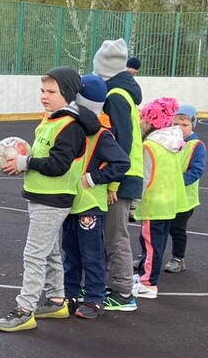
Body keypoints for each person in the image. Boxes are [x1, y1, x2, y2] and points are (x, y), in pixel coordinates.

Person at [0, 67, 102, 333]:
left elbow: (58, 165)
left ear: (66, 93)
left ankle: (25, 309)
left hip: (53, 199)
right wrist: (25, 165)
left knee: (34, 255)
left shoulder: (69, 127)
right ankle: (56, 300)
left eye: (51, 91)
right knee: (50, 252)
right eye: (43, 90)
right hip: (42, 196)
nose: (44, 96)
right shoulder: (51, 120)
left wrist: (23, 161)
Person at [58, 75, 131, 320]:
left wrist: (93, 178)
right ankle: (70, 292)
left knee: (91, 253)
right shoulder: (72, 129)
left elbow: (122, 162)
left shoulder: (101, 135)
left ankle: (95, 297)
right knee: (70, 252)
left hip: (89, 204)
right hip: (69, 201)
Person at [93, 38, 144, 313]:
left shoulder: (115, 97)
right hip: (125, 173)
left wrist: (113, 181)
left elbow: (121, 143)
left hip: (122, 176)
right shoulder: (122, 93)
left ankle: (123, 293)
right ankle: (114, 285)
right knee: (111, 234)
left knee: (115, 235)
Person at [133, 98, 184, 299]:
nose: (141, 123)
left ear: (151, 121)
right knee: (156, 242)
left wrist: (134, 204)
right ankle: (146, 276)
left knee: (151, 243)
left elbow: (144, 178)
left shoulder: (150, 146)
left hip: (153, 202)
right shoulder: (174, 143)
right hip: (168, 200)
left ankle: (148, 283)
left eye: (144, 119)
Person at [165, 103, 207, 274]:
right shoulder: (167, 142)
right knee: (154, 225)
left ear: (192, 124)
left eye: (184, 124)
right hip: (164, 195)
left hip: (184, 198)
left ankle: (178, 258)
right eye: (176, 124)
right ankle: (147, 255)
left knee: (177, 229)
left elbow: (196, 171)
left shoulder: (197, 146)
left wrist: (175, 181)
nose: (179, 128)